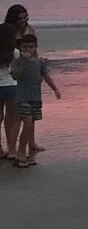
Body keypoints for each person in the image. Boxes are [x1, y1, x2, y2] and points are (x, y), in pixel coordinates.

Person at [11, 34, 59, 168]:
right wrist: (22, 63)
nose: (28, 50)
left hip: (35, 98)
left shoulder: (39, 62)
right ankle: (21, 151)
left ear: (35, 48)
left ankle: (27, 151)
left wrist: (55, 89)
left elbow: (46, 76)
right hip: (22, 98)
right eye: (24, 47)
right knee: (27, 124)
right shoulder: (18, 62)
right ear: (20, 48)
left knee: (31, 125)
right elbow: (15, 76)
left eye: (31, 47)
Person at [0, 24, 17, 160]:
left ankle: (0, 149)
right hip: (11, 86)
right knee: (12, 118)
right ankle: (12, 149)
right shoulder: (14, 52)